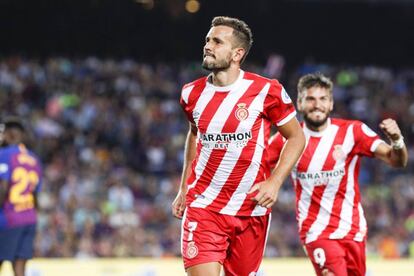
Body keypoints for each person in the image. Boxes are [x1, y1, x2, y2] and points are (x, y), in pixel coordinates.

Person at [171, 16, 306, 276]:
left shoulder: (267, 91)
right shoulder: (191, 94)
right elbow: (194, 135)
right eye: (207, 40)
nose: (208, 46)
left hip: (250, 211)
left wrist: (275, 182)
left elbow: (297, 137)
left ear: (237, 53)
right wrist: (183, 187)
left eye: (217, 41)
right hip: (204, 208)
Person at [267, 73, 408, 276]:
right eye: (310, 99)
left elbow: (397, 160)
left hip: (353, 231)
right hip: (316, 231)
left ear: (331, 103)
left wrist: (397, 140)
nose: (317, 104)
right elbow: (258, 164)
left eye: (323, 99)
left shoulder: (353, 132)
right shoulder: (287, 138)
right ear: (299, 103)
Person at [0, 117, 43, 276]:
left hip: (8, 217)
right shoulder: (34, 159)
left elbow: (3, 187)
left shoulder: (4, 154)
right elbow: (35, 193)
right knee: (20, 267)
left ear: (8, 135)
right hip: (29, 218)